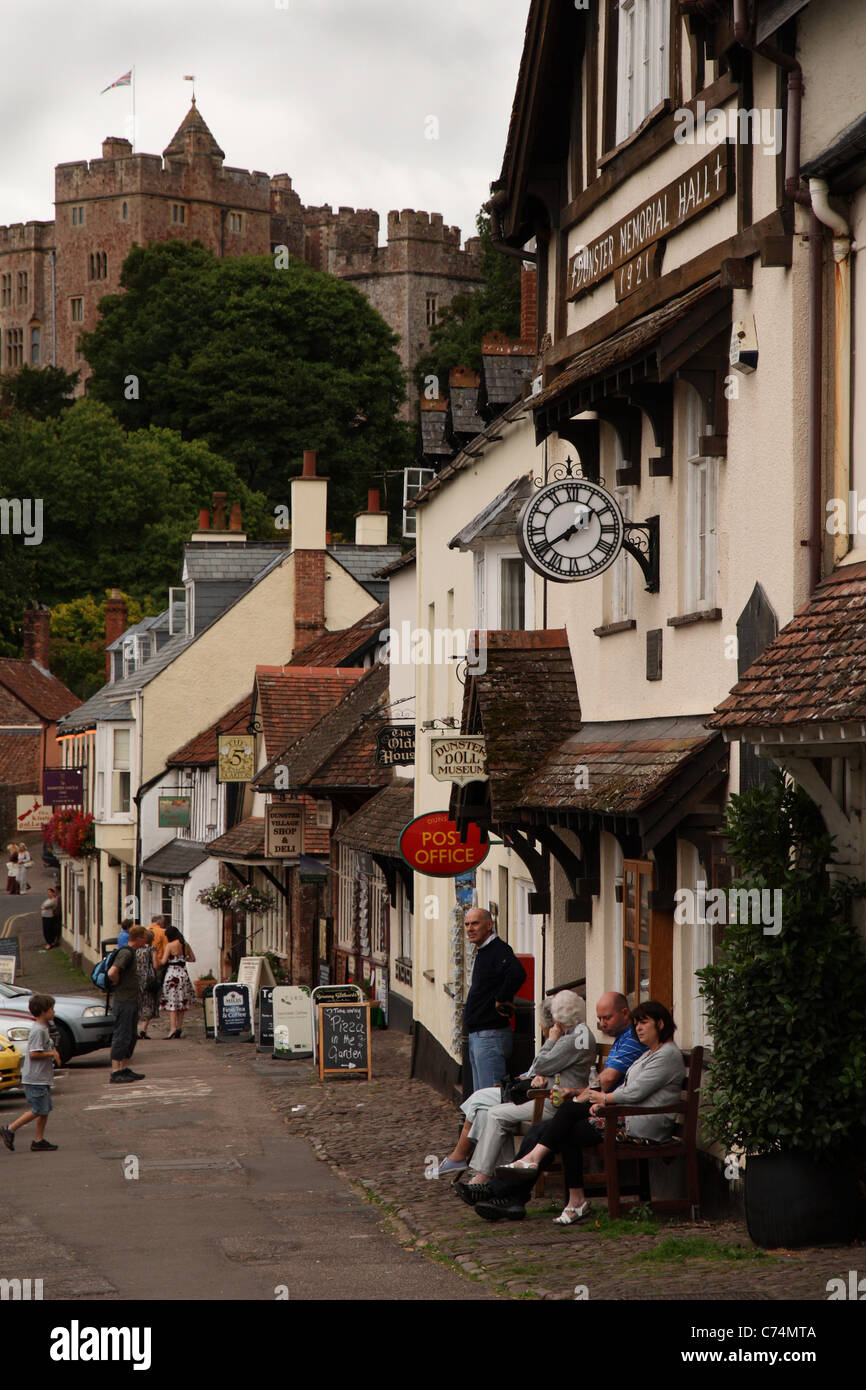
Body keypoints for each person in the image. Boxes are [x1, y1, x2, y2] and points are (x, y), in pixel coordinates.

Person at [484, 1001, 684, 1224]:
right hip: (625, 1116)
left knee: (563, 1120)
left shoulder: (666, 1055)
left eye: (643, 1023)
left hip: (640, 1125)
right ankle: (567, 1197)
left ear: (660, 1023)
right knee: (557, 1127)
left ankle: (526, 1175)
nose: (638, 1028)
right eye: (636, 1023)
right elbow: (629, 1089)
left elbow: (635, 1092)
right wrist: (598, 1099)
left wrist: (604, 1099)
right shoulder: (649, 1053)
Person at [455, 990, 595, 1204]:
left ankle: (485, 1177)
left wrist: (550, 1040)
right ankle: (496, 1176)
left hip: (554, 1104)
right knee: (489, 1111)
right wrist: (544, 1072)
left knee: (495, 1114)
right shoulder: (578, 1034)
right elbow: (549, 1067)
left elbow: (539, 1063)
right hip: (548, 1096)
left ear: (557, 1018)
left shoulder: (573, 1039)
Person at [463, 908, 526, 1091]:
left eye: (475, 923)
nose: (470, 929)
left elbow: (517, 973)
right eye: (467, 924)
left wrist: (501, 998)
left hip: (490, 1035)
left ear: (489, 925)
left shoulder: (498, 949)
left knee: (489, 1098)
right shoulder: (484, 950)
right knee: (480, 1097)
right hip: (479, 1034)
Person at [0, 994, 62, 1152]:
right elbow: (34, 1054)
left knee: (45, 1109)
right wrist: (52, 1054)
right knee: (38, 1109)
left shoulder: (43, 1028)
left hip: (42, 1077)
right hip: (35, 1078)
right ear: (43, 1011)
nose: (53, 1012)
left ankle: (38, 1139)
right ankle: (10, 1129)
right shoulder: (38, 1031)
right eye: (51, 1009)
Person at [107, 925, 148, 1083]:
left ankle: (124, 1068)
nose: (146, 940)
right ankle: (116, 1071)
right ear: (138, 938)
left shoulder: (132, 952)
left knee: (131, 1035)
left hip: (131, 999)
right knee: (122, 1035)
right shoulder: (126, 953)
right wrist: (118, 982)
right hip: (124, 1001)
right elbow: (112, 972)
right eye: (144, 937)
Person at [159, 926, 196, 1038]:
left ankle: (172, 1029)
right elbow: (193, 959)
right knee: (182, 1002)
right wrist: (182, 959)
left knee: (172, 1003)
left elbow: (164, 961)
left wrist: (156, 960)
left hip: (172, 975)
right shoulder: (185, 944)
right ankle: (179, 1027)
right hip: (183, 974)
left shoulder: (170, 946)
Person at [136, 928, 161, 1039]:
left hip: (137, 977)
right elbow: (155, 965)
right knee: (149, 1002)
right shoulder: (152, 949)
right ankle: (143, 1029)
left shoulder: (136, 949)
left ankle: (135, 1029)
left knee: (138, 1002)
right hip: (149, 978)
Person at [40, 886, 62, 951]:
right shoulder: (48, 900)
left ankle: (50, 943)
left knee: (48, 930)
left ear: (53, 893)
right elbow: (42, 906)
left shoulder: (54, 900)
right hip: (45, 916)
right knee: (45, 930)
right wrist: (43, 907)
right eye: (48, 892)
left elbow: (46, 906)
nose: (48, 893)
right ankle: (48, 943)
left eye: (50, 892)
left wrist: (44, 907)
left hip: (49, 917)